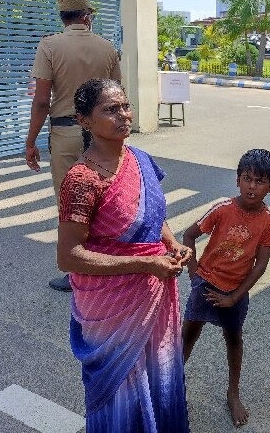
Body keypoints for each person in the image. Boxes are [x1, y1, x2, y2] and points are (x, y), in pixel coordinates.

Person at [57, 78, 190, 432]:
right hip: (113, 306)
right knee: (121, 388)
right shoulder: (82, 180)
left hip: (156, 291)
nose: (123, 116)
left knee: (157, 371)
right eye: (110, 109)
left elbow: (150, 215)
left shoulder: (140, 160)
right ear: (84, 120)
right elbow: (69, 256)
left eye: (125, 106)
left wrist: (172, 242)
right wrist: (147, 263)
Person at [25, 0, 122, 292]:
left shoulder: (50, 46)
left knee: (71, 203)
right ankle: (110, 263)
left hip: (66, 134)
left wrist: (31, 142)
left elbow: (41, 102)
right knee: (107, 198)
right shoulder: (107, 47)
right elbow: (118, 94)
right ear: (86, 17)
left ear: (63, 18)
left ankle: (79, 272)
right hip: (102, 135)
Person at [181, 149, 270, 427]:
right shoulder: (223, 209)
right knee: (188, 334)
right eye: (247, 179)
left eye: (260, 181)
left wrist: (235, 296)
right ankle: (173, 385)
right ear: (238, 180)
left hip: (235, 291)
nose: (252, 186)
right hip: (206, 283)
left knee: (234, 339)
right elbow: (189, 235)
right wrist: (194, 275)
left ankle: (233, 392)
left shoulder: (269, 221)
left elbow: (260, 265)